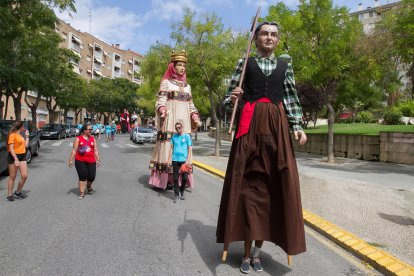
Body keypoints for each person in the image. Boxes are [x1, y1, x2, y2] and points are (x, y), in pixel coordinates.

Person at [216, 22, 308, 274]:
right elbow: (228, 99)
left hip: (276, 129)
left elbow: (291, 98)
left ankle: (257, 254)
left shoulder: (285, 66)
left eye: (274, 35)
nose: (269, 37)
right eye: (265, 33)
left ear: (278, 40)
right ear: (256, 38)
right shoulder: (244, 63)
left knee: (273, 189)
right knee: (246, 189)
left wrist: (297, 126)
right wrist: (232, 97)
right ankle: (245, 254)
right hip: (249, 129)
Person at [148, 50, 201, 190]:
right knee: (169, 148)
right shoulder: (166, 83)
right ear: (173, 66)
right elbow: (162, 99)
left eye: (184, 65)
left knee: (183, 149)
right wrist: (162, 110)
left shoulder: (188, 87)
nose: (182, 67)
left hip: (184, 122)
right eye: (179, 64)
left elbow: (191, 104)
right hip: (170, 119)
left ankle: (179, 180)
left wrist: (195, 116)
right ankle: (163, 181)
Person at [68, 124, 100, 199]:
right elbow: (74, 150)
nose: (90, 131)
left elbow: (95, 150)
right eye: (89, 129)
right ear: (84, 130)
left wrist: (98, 159)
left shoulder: (93, 139)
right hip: (80, 160)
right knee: (82, 176)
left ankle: (88, 185)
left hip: (91, 160)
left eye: (91, 129)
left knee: (92, 176)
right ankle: (82, 192)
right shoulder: (78, 139)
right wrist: (71, 160)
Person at [6, 121, 29, 202]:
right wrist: (15, 159)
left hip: (22, 156)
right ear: (21, 127)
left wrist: (27, 136)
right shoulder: (12, 135)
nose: (24, 127)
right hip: (14, 156)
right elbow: (11, 148)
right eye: (23, 126)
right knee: (12, 176)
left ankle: (18, 192)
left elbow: (26, 146)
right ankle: (9, 195)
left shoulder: (21, 135)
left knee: (24, 175)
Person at [170, 122, 192, 203]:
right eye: (176, 128)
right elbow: (171, 149)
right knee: (175, 178)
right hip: (175, 160)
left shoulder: (187, 136)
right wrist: (169, 158)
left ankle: (182, 190)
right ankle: (176, 195)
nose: (178, 129)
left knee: (185, 178)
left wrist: (188, 160)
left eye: (179, 127)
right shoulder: (174, 137)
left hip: (184, 161)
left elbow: (190, 149)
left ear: (182, 127)